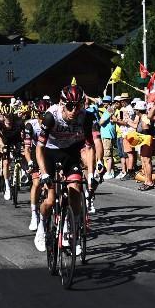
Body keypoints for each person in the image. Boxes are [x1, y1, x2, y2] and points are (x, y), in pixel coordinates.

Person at [33, 84, 102, 253]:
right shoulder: (51, 116)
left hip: (70, 152)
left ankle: (71, 228)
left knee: (76, 189)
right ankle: (42, 225)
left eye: (78, 106)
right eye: (70, 106)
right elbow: (39, 148)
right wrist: (43, 173)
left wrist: (91, 173)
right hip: (49, 152)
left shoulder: (85, 117)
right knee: (50, 200)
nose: (74, 110)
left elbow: (89, 147)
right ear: (62, 104)